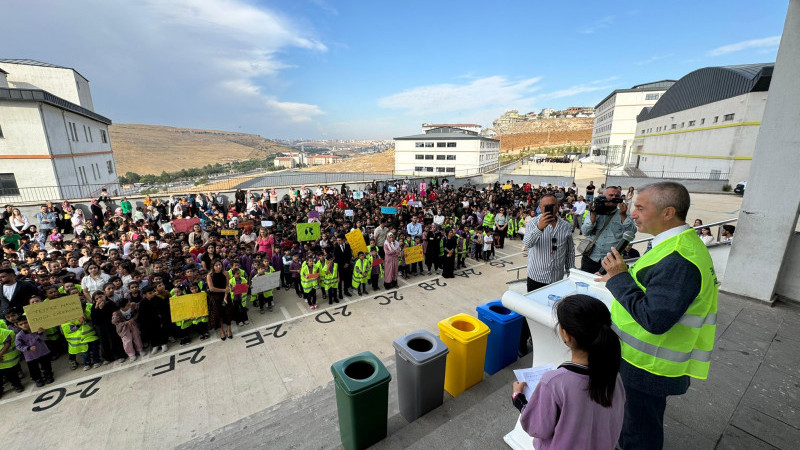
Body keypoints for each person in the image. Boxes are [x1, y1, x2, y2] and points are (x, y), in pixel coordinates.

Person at [595, 181, 719, 449]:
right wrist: (617, 278)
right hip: (641, 361)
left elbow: (655, 318)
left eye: (640, 207)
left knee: (639, 434)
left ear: (668, 212)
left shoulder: (679, 259)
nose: (633, 212)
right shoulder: (674, 245)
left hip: (648, 366)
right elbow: (653, 290)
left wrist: (619, 279)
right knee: (631, 424)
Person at [511, 295, 624, 450]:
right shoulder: (614, 377)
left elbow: (537, 427)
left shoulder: (553, 382)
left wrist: (518, 398)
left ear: (566, 335)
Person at [580, 186, 636, 274]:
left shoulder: (624, 214)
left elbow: (631, 233)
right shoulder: (594, 211)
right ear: (603, 197)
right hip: (591, 257)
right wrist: (593, 216)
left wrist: (623, 216)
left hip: (611, 261)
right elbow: (585, 232)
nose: (613, 197)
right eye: (611, 195)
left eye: (616, 196)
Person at [15, 315, 55, 386]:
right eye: (21, 324)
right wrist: (28, 348)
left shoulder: (37, 329)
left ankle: (48, 375)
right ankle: (38, 379)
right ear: (18, 325)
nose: (24, 325)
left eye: (25, 322)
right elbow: (18, 346)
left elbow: (43, 338)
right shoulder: (19, 335)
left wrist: (41, 333)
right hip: (31, 356)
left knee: (46, 365)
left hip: (43, 351)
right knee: (33, 369)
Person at [206, 260, 232, 340]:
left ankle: (229, 329)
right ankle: (221, 330)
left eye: (219, 264)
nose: (218, 267)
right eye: (216, 265)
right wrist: (224, 290)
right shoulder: (209, 275)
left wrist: (225, 296)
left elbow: (227, 285)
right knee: (219, 314)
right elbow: (212, 288)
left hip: (226, 295)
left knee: (228, 312)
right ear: (213, 267)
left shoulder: (226, 273)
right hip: (215, 297)